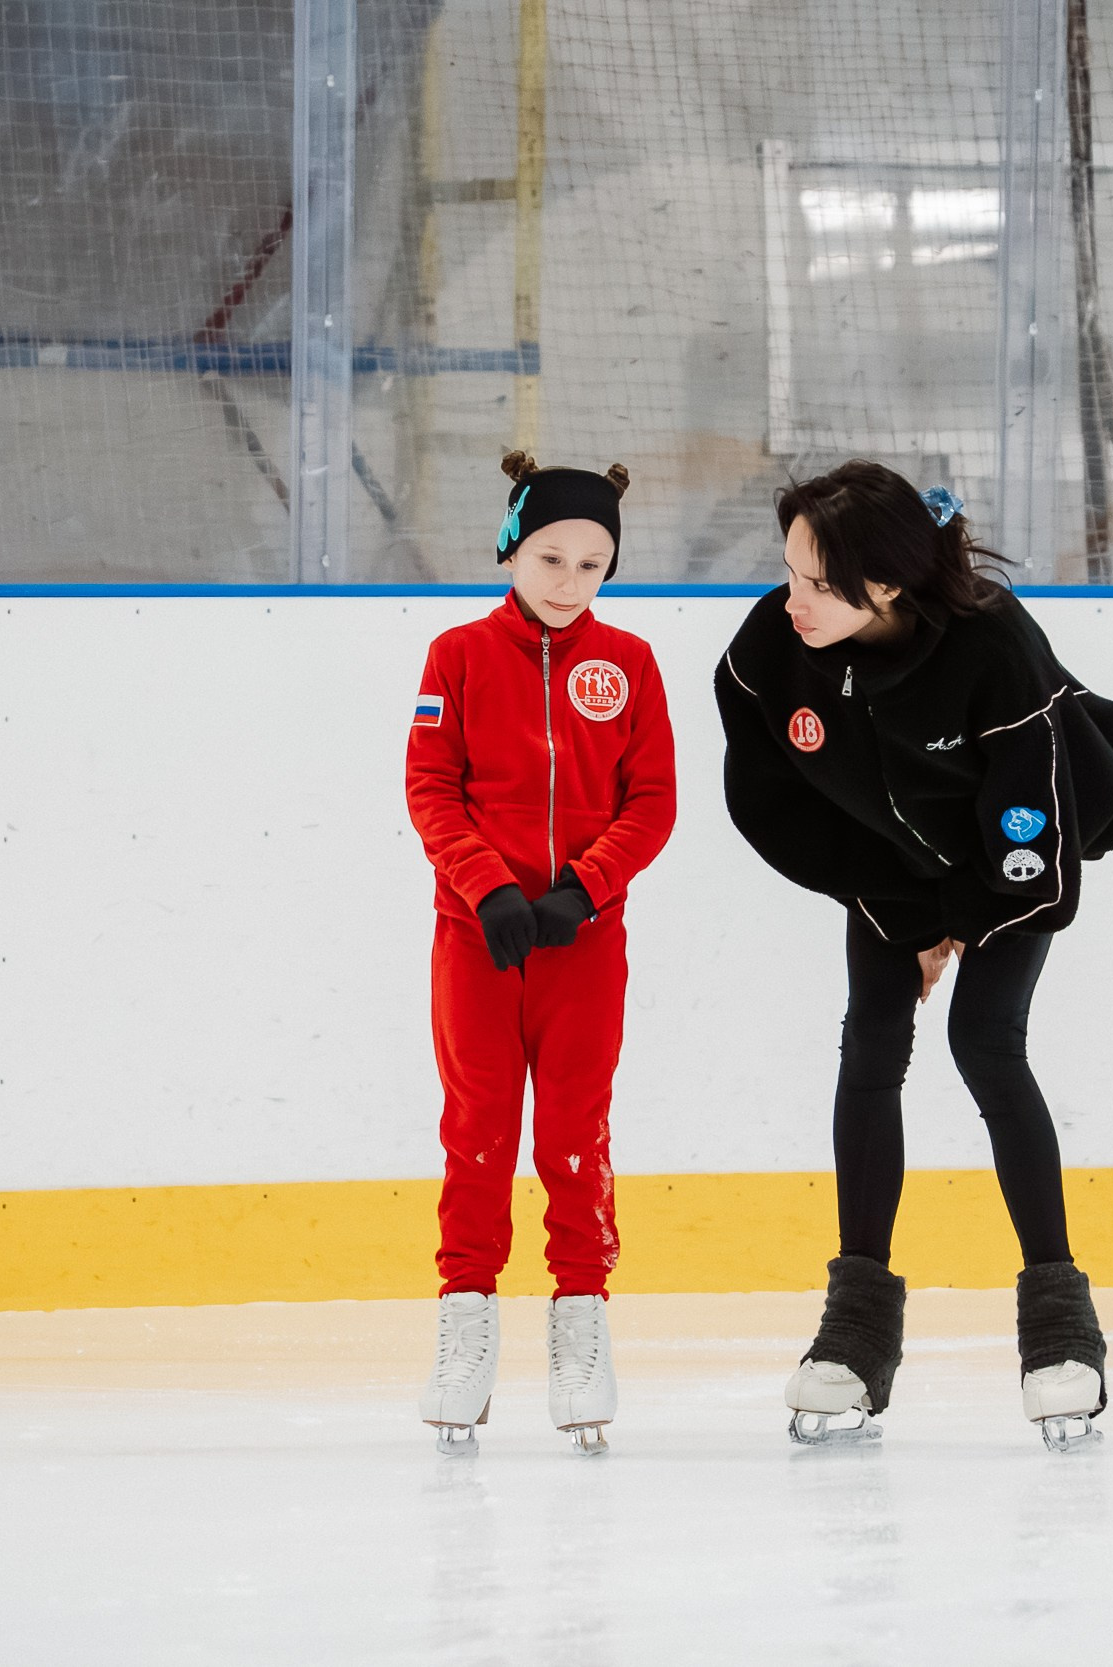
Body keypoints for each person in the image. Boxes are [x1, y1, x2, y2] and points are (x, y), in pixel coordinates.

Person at [714, 461, 1113, 1448]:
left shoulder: (993, 648)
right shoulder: (769, 650)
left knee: (984, 1041)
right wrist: (900, 914)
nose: (795, 602)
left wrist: (956, 918)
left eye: (820, 585)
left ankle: (1060, 1330)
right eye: (788, 574)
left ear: (890, 584)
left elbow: (1030, 840)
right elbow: (768, 803)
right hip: (885, 862)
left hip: (1021, 844)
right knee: (870, 1042)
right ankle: (853, 1335)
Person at [405, 450, 677, 1456]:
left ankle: (580, 1327)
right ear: (512, 548)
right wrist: (488, 888)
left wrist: (581, 890)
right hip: (473, 940)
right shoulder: (457, 655)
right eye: (550, 556)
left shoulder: (631, 665)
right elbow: (431, 787)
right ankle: (465, 1327)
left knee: (573, 1132)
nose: (569, 581)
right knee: (476, 1129)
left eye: (592, 564)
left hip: (582, 946)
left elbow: (652, 803)